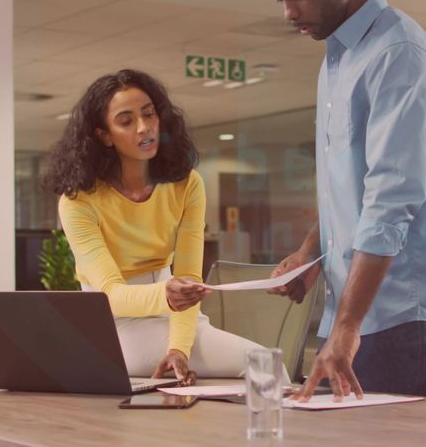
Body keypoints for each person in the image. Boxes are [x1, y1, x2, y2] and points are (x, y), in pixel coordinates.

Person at [256, 0, 426, 400]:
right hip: (352, 315)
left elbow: (390, 202)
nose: (288, 13)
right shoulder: (338, 62)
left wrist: (348, 326)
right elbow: (347, 188)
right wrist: (310, 256)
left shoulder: (400, 55)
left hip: (396, 315)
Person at [42, 69, 265, 385]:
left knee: (260, 369)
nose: (144, 127)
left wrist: (179, 347)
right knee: (264, 365)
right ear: (104, 135)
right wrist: (169, 295)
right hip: (117, 324)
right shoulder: (78, 201)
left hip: (176, 313)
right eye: (126, 120)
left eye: (149, 115)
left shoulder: (186, 184)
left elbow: (188, 281)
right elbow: (110, 295)